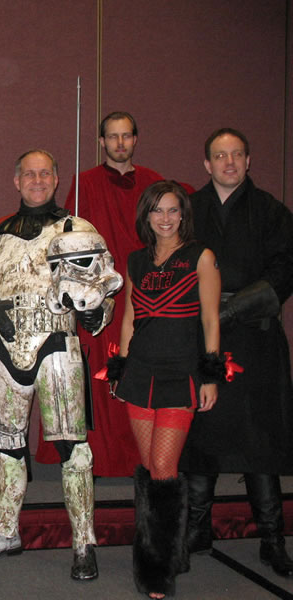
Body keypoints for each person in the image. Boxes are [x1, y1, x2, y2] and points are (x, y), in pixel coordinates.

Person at [0, 150, 123, 580]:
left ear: (56, 178)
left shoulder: (78, 231)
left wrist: (96, 311)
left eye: (44, 173)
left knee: (73, 447)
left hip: (57, 345)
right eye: (29, 174)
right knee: (6, 444)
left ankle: (84, 542)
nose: (37, 180)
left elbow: (103, 287)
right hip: (3, 346)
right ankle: (5, 532)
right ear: (16, 181)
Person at [180, 128, 293, 578]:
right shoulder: (189, 210)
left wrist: (230, 311)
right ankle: (197, 530)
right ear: (206, 164)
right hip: (201, 337)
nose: (229, 162)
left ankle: (272, 539)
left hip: (255, 337)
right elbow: (173, 264)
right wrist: (206, 315)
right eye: (220, 155)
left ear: (249, 160)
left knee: (259, 439)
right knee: (201, 432)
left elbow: (284, 271)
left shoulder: (272, 212)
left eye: (237, 154)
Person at [108, 181, 221, 598]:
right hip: (140, 372)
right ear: (147, 216)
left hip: (180, 373)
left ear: (183, 214)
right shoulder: (136, 261)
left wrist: (211, 375)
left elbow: (210, 320)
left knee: (163, 468)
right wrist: (120, 368)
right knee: (149, 469)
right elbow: (129, 319)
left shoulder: (200, 257)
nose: (166, 218)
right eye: (158, 210)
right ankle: (165, 552)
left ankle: (158, 570)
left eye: (173, 210)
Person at [37, 112, 165, 477]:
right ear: (101, 142)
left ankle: (141, 455)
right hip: (99, 293)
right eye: (112, 136)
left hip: (145, 293)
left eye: (126, 136)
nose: (120, 143)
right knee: (97, 372)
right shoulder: (86, 183)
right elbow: (72, 240)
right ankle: (96, 456)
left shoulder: (154, 182)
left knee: (141, 369)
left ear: (135, 139)